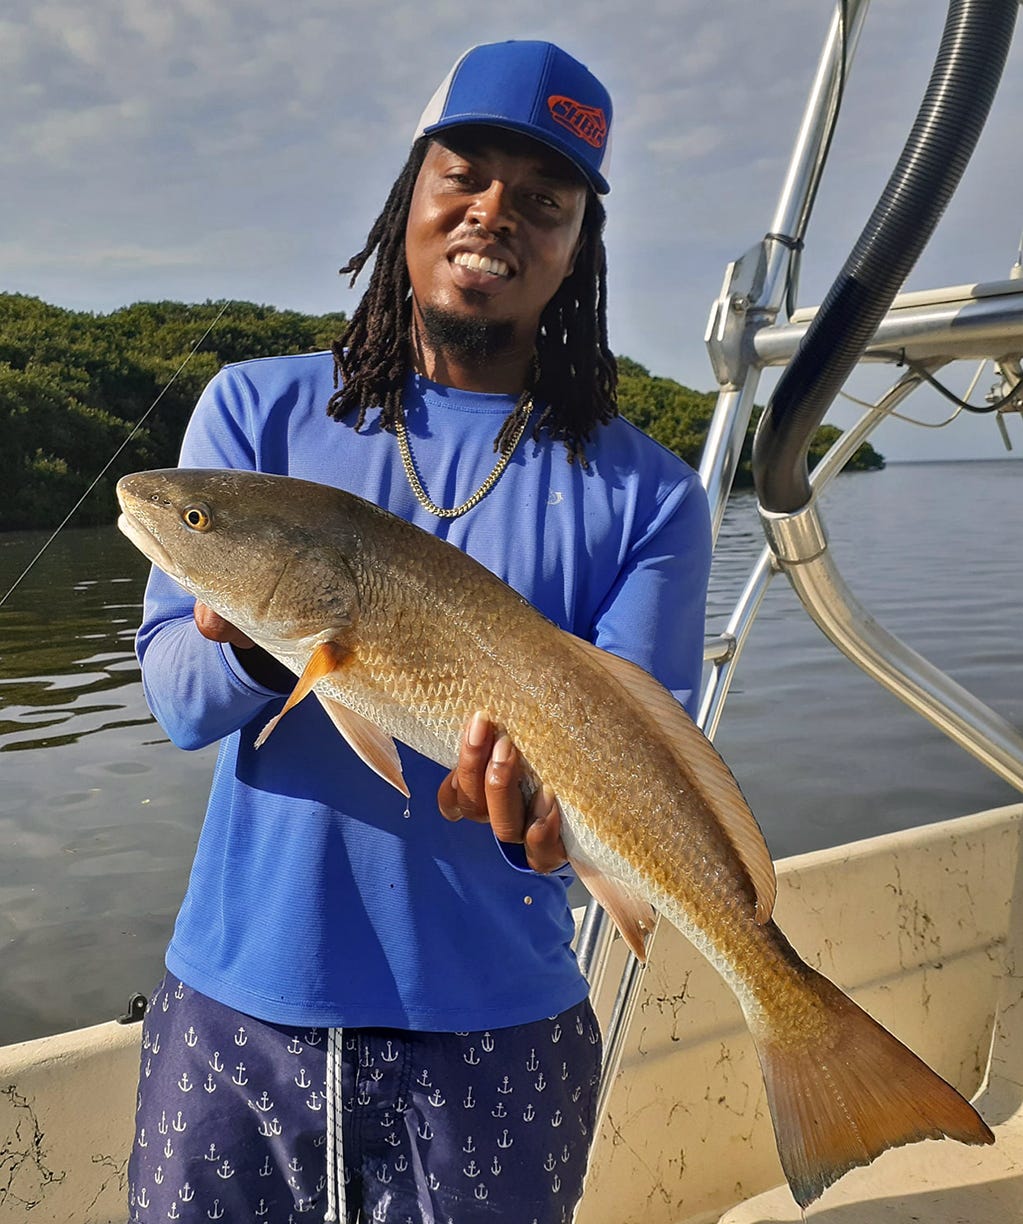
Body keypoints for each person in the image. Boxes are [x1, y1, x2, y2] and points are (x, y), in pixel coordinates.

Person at [127, 39, 712, 1224]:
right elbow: (178, 698)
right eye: (466, 175)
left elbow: (627, 774)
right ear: (411, 195)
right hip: (238, 1013)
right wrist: (261, 629)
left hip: (500, 1031)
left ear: (577, 248)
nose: (495, 213)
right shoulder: (257, 412)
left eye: (543, 200)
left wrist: (535, 826)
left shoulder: (650, 494)